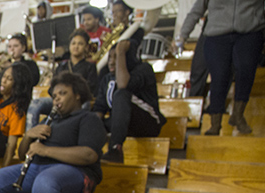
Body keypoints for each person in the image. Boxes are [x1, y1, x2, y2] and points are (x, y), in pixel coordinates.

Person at [0, 72, 105, 193]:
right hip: (37, 168)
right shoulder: (49, 120)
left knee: (44, 182)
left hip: (73, 171)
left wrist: (46, 151)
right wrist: (28, 135)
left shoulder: (88, 118)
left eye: (63, 94)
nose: (56, 99)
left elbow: (89, 155)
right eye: (55, 95)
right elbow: (22, 155)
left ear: (77, 95)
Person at [178, 0, 264, 135]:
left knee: (245, 68)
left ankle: (238, 115)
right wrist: (182, 36)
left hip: (249, 32)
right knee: (219, 76)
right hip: (216, 35)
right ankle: (215, 124)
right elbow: (197, 10)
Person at [94, 40, 164, 163]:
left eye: (116, 57)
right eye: (109, 57)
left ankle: (116, 149)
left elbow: (123, 85)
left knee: (121, 94)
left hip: (147, 123)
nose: (111, 61)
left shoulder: (143, 69)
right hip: (122, 125)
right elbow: (100, 108)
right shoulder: (107, 79)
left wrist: (121, 52)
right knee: (88, 119)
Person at [26, 29, 98, 130]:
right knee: (36, 103)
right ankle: (30, 135)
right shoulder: (61, 66)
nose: (76, 46)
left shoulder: (90, 67)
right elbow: (52, 88)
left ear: (86, 47)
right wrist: (58, 97)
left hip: (78, 101)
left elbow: (91, 88)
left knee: (85, 104)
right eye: (73, 43)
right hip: (58, 100)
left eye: (80, 44)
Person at [0, 63, 32, 167]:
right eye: (3, 76)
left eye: (9, 79)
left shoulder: (17, 109)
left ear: (18, 84)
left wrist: (3, 169)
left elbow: (11, 145)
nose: (3, 81)